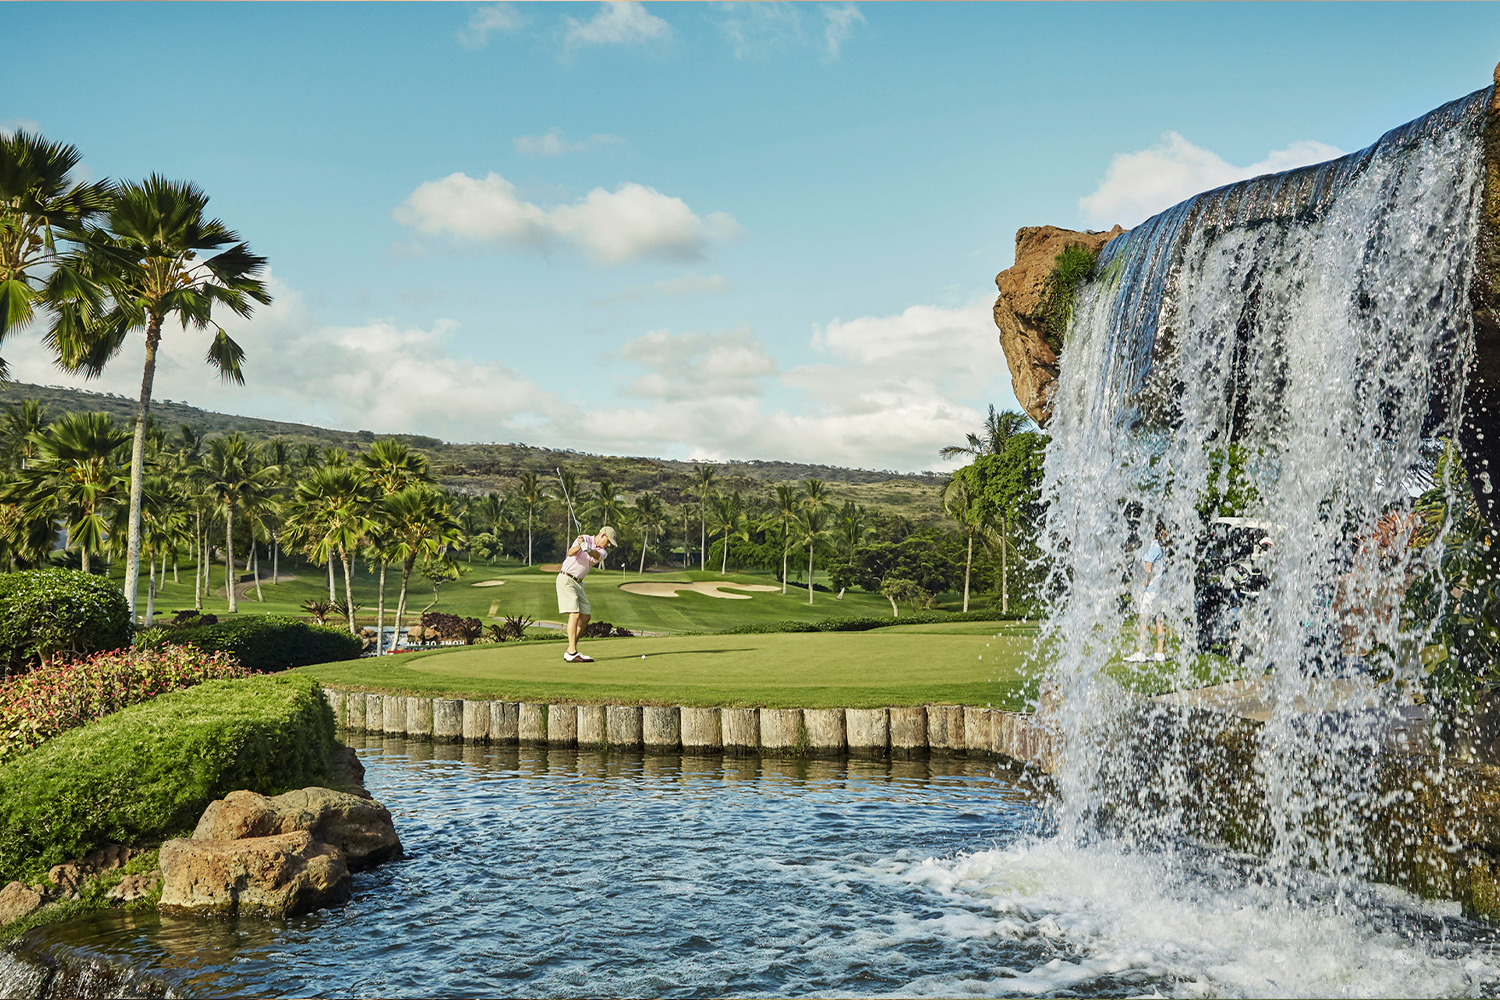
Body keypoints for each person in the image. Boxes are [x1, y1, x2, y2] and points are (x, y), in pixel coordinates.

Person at [557, 525, 617, 663]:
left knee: (585, 616)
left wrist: (588, 549)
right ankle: (572, 652)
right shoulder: (584, 538)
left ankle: (570, 650)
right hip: (566, 578)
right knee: (575, 614)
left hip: (579, 583)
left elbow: (596, 556)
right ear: (602, 535)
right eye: (608, 541)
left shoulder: (603, 552)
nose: (608, 545)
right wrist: (579, 546)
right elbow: (570, 553)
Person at [1125, 523, 1167, 663]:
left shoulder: (1152, 548)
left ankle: (1141, 652)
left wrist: (1143, 587)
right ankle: (1160, 653)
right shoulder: (1160, 549)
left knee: (1143, 619)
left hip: (1151, 590)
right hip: (1159, 590)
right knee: (1158, 620)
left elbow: (1147, 569)